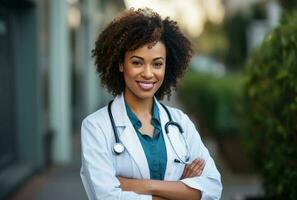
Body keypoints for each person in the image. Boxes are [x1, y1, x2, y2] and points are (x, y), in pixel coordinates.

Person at [80, 8, 222, 200]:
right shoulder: (96, 127)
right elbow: (107, 197)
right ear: (121, 64)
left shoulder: (180, 122)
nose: (148, 73)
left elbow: (212, 188)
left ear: (166, 66)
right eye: (137, 63)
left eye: (157, 64)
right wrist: (179, 190)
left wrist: (139, 186)